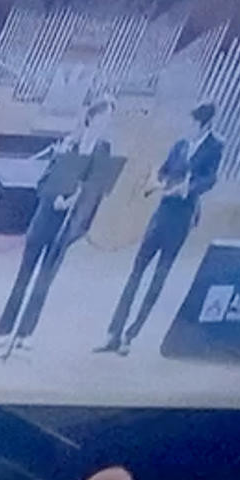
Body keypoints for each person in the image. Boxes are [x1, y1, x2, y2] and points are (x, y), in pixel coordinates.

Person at [0, 101, 121, 349]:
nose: (105, 123)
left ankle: (25, 334)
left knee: (45, 280)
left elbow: (97, 189)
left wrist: (78, 202)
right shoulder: (68, 144)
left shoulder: (103, 150)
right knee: (24, 275)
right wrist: (56, 199)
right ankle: (4, 330)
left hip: (69, 222)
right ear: (91, 118)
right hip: (46, 215)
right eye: (103, 117)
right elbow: (44, 182)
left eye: (109, 119)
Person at [99, 101, 223, 354]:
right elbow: (165, 170)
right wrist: (157, 181)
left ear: (204, 125)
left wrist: (189, 189)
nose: (188, 127)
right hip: (163, 212)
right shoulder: (180, 145)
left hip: (182, 216)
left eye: (192, 124)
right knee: (136, 272)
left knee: (159, 276)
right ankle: (114, 333)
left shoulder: (215, 146)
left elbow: (210, 178)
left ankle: (130, 335)